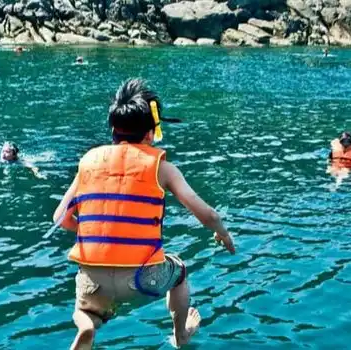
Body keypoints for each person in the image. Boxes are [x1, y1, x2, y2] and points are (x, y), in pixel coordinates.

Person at [51, 78, 236, 350]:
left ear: (113, 128)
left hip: (94, 279)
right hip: (140, 278)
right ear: (150, 133)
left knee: (85, 308)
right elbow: (208, 215)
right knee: (180, 272)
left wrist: (101, 232)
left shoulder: (88, 161)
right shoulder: (162, 168)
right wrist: (224, 235)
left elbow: (60, 218)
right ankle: (181, 336)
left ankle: (87, 324)